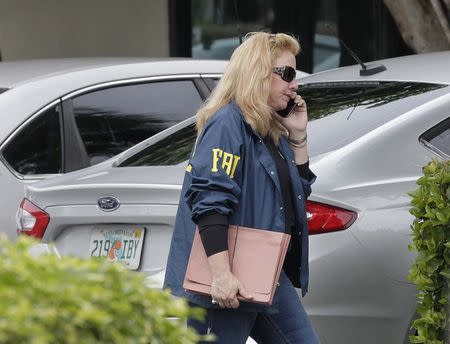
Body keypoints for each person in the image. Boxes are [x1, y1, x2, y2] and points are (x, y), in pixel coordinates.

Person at [164, 32, 319, 343]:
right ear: (258, 73)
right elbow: (209, 203)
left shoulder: (268, 130)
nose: (295, 85)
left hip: (265, 273)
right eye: (286, 74)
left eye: (295, 75)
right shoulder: (227, 125)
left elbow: (296, 196)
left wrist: (298, 138)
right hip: (228, 281)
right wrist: (222, 276)